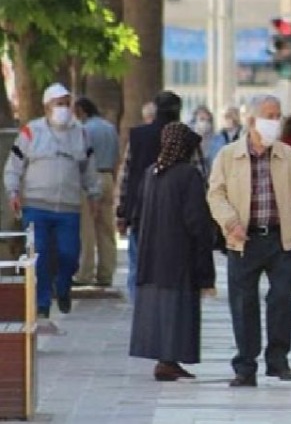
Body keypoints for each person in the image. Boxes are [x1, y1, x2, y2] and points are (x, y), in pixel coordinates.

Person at [207, 94, 291, 387]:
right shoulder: (228, 155)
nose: (274, 121)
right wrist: (230, 222)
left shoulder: (289, 156)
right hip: (244, 240)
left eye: (278, 115)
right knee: (243, 303)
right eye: (269, 115)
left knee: (281, 300)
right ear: (252, 120)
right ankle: (246, 365)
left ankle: (278, 360)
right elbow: (215, 194)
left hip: (281, 240)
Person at [3, 83, 102, 317]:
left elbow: (89, 169)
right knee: (40, 254)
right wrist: (13, 192)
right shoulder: (31, 132)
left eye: (67, 104)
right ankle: (43, 303)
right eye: (59, 104)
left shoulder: (81, 134)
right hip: (36, 206)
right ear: (47, 107)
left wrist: (94, 195)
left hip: (68, 207)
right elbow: (14, 166)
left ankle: (64, 285)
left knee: (69, 253)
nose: (64, 109)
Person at [129, 122, 215, 381]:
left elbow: (138, 214)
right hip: (178, 255)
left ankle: (166, 359)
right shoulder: (188, 176)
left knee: (160, 310)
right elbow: (196, 220)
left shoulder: (150, 173)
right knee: (177, 310)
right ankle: (168, 360)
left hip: (152, 255)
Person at [116, 91, 188, 303]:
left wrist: (122, 212)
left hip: (141, 209)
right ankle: (165, 304)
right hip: (175, 212)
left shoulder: (138, 136)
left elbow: (128, 175)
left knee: (138, 264)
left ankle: (139, 307)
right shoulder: (185, 137)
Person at [73, 97, 120, 288]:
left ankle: (85, 273)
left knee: (87, 229)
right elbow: (116, 154)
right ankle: (106, 273)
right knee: (106, 228)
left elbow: (81, 157)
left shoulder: (83, 130)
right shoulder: (109, 128)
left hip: (89, 178)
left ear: (82, 111)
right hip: (108, 176)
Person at [191, 106, 215, 172]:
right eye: (202, 119)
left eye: (208, 120)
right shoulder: (188, 140)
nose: (205, 123)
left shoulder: (217, 140)